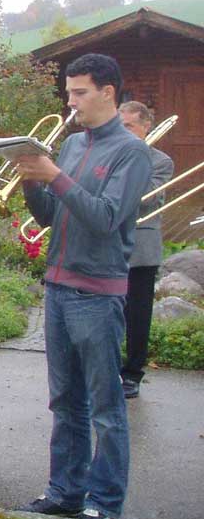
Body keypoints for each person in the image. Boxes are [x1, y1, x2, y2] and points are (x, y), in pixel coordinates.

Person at [17, 53, 151, 519]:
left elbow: (106, 219)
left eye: (79, 93)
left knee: (105, 406)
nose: (70, 103)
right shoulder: (73, 146)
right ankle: (65, 491)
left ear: (108, 93)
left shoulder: (133, 152)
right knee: (65, 401)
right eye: (68, 93)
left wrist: (55, 175)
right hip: (58, 286)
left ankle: (106, 502)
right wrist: (32, 182)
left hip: (97, 293)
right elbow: (53, 217)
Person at [118, 101, 173, 399]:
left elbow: (146, 199)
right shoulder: (111, 155)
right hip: (109, 244)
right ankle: (107, 368)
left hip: (141, 247)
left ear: (145, 127)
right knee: (109, 312)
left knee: (138, 316)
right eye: (119, 125)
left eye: (129, 126)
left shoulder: (161, 161)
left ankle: (133, 373)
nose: (123, 132)